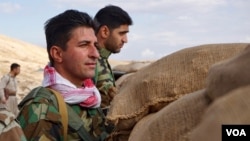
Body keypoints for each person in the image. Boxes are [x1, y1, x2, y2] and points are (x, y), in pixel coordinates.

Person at [17, 9, 109, 141]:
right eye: (84, 45)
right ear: (58, 54)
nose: (96, 54)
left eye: (95, 45)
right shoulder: (41, 109)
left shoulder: (91, 98)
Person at [93, 5, 133, 109]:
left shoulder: (102, 58)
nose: (125, 40)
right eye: (121, 33)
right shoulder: (91, 61)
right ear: (104, 31)